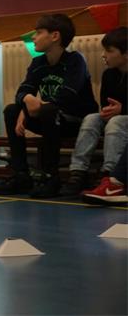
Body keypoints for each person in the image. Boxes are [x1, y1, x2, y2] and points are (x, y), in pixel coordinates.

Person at [0, 14, 98, 198]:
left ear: (55, 36)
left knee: (49, 110)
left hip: (75, 121)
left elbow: (67, 96)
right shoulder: (38, 62)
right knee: (11, 110)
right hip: (49, 118)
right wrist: (26, 102)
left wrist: (34, 108)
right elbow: (22, 91)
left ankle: (51, 177)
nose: (33, 37)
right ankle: (21, 175)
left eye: (39, 32)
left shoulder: (75, 60)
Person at [64, 27, 128, 195]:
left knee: (116, 121)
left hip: (122, 120)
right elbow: (105, 103)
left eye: (109, 51)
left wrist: (123, 109)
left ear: (126, 54)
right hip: (117, 118)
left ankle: (110, 175)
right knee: (91, 118)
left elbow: (118, 111)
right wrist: (109, 111)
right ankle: (78, 171)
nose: (103, 55)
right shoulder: (109, 75)